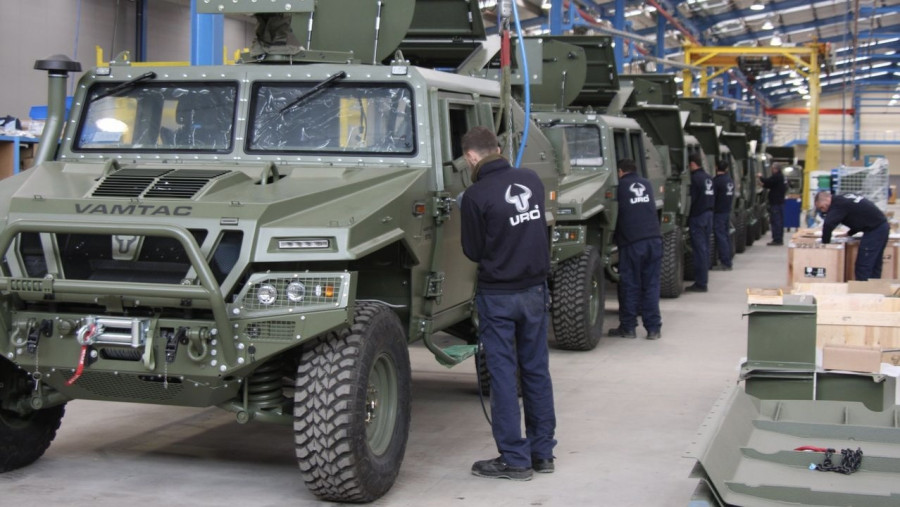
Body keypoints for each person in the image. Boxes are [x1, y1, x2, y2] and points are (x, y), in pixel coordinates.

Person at [458, 126, 557, 481]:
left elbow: (472, 250)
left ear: (471, 157)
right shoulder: (531, 180)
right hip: (534, 291)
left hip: (498, 295)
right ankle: (542, 454)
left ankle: (515, 459)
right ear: (498, 149)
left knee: (502, 375)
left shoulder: (475, 195)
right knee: (536, 370)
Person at [608, 159, 662, 340]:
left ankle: (628, 327)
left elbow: (614, 213)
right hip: (654, 240)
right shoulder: (646, 184)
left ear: (620, 171)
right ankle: (653, 329)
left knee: (630, 285)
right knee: (651, 286)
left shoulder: (620, 187)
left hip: (633, 243)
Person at [815, 191, 889, 281]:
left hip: (875, 230)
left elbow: (828, 225)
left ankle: (863, 292)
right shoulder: (844, 197)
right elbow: (859, 217)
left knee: (863, 265)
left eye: (822, 207)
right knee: (875, 263)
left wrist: (825, 243)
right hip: (881, 226)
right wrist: (849, 233)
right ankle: (874, 290)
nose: (823, 210)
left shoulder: (838, 204)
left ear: (827, 199)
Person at [686, 154, 714, 292]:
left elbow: (692, 199)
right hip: (709, 215)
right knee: (705, 248)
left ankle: (701, 283)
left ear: (692, 164)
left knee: (699, 250)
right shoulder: (708, 177)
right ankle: (704, 278)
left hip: (698, 216)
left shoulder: (695, 178)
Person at [712, 160, 735, 271]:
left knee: (721, 237)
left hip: (718, 213)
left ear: (716, 167)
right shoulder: (729, 181)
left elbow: (712, 198)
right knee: (726, 237)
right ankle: (728, 260)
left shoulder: (716, 182)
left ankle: (725, 262)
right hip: (726, 211)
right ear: (726, 169)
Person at [759, 163, 786, 245]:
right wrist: (763, 185)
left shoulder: (777, 176)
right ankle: (778, 238)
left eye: (772, 168)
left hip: (776, 203)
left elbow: (768, 181)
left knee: (776, 221)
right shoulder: (780, 177)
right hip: (779, 202)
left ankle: (777, 239)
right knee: (778, 221)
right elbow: (770, 185)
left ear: (776, 169)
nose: (771, 170)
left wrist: (760, 176)